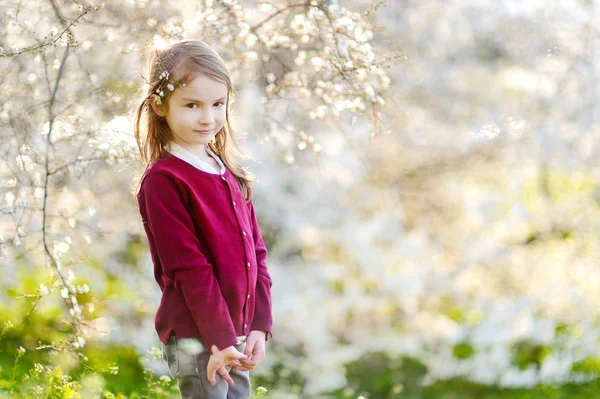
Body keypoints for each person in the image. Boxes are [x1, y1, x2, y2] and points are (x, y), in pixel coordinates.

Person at [132, 39, 274, 399]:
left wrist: (259, 324)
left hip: (235, 335)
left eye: (218, 104)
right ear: (161, 105)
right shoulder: (165, 180)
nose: (207, 117)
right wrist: (219, 338)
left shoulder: (229, 173)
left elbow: (256, 253)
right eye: (192, 105)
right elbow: (188, 267)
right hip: (199, 338)